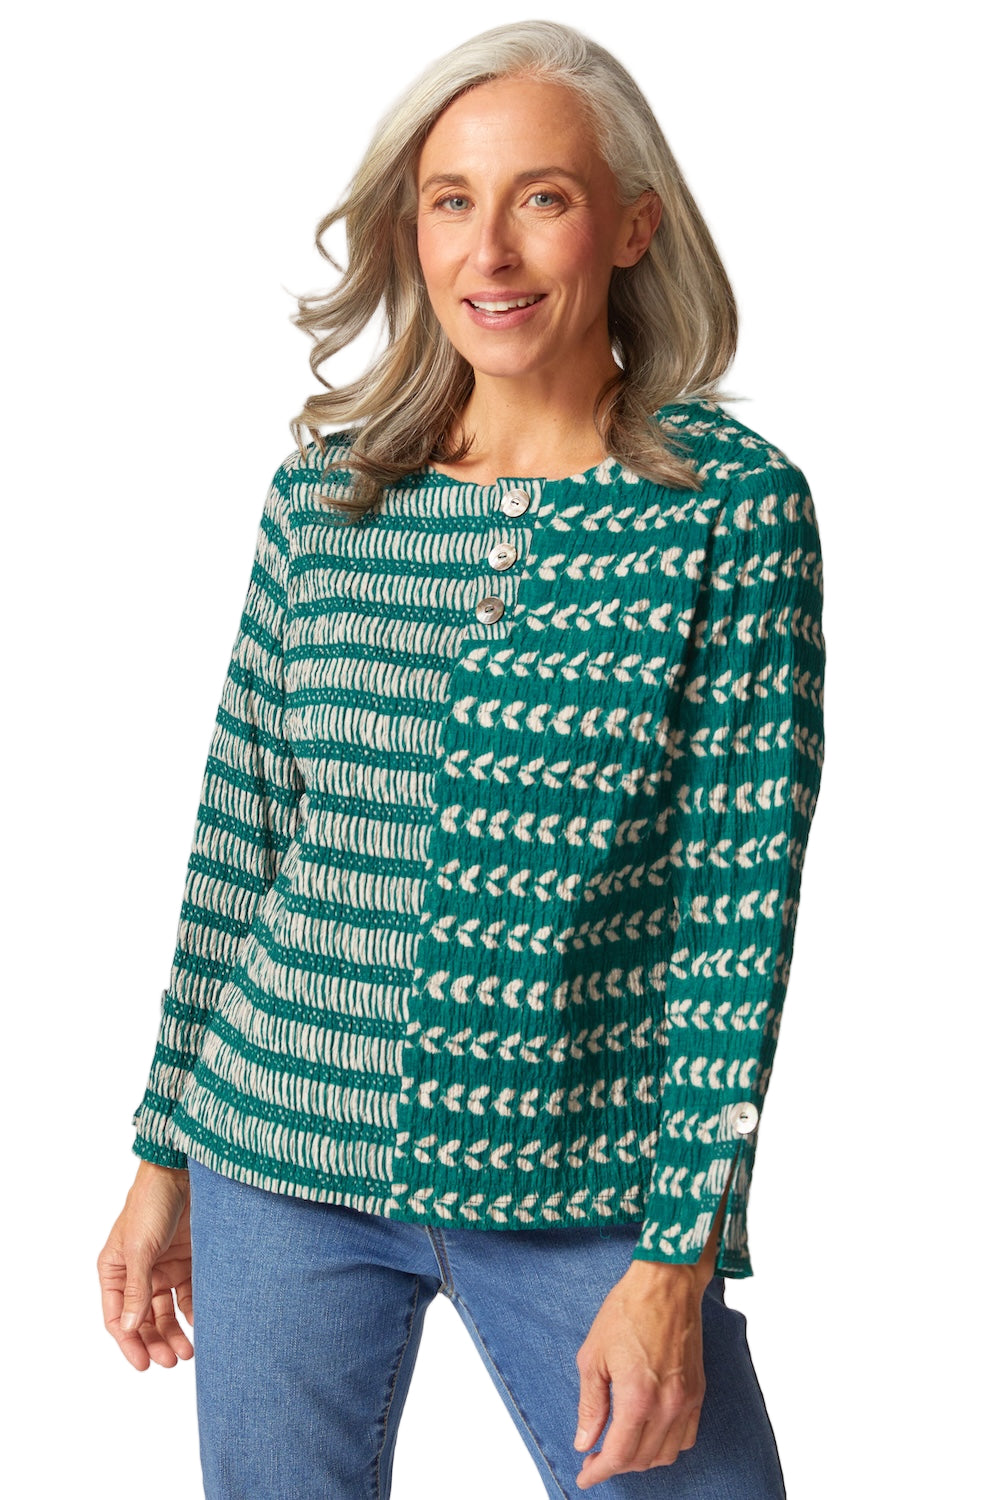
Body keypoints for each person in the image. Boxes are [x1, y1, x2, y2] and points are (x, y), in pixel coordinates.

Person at [97, 19, 825, 1498]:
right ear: (410, 230)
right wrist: (164, 1150)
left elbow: (736, 917)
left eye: (541, 198)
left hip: (584, 1182)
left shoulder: (729, 512)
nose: (489, 250)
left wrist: (678, 1256)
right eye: (450, 201)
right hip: (276, 1151)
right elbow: (243, 837)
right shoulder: (327, 500)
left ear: (633, 225)